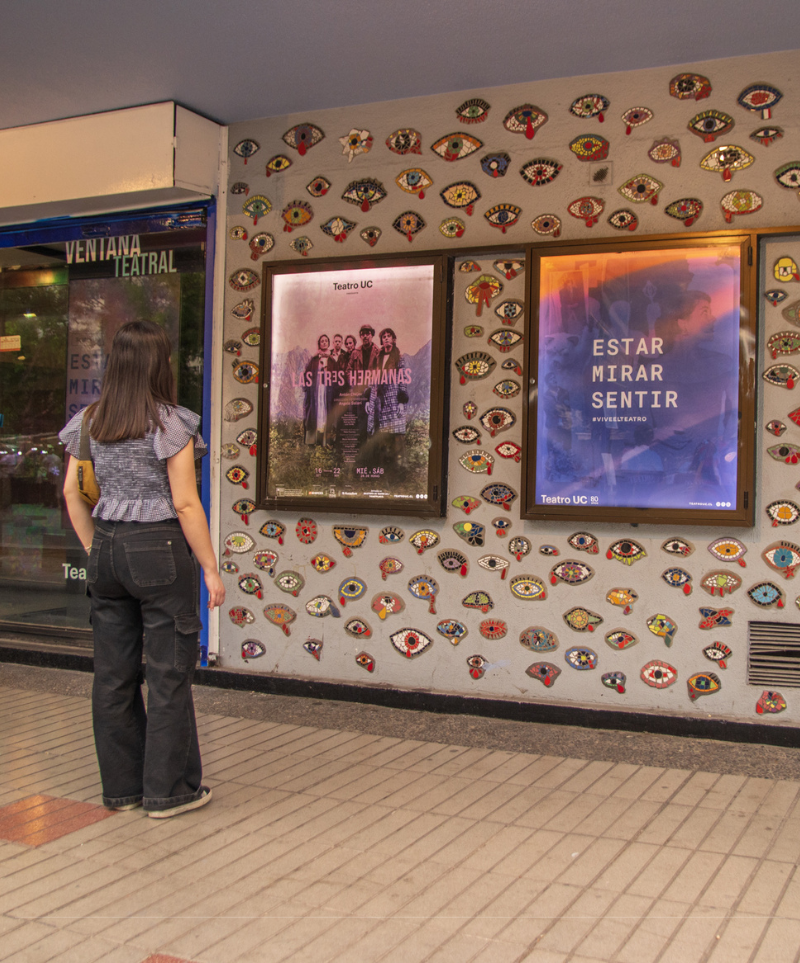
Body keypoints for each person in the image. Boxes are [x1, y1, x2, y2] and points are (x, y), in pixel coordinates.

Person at [59, 320, 225, 818]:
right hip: (158, 549)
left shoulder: (90, 421)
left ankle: (123, 790)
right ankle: (168, 792)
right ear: (159, 364)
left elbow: (71, 493)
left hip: (106, 547)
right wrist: (210, 568)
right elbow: (186, 503)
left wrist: (95, 548)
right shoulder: (171, 423)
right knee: (169, 674)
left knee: (112, 676)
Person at [366, 327, 409, 466]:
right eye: (383, 336)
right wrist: (369, 400)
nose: (386, 338)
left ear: (393, 339)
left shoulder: (399, 358)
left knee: (396, 434)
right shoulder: (377, 358)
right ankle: (383, 467)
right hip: (380, 401)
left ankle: (398, 468)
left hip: (394, 399)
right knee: (382, 433)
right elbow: (373, 380)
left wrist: (401, 401)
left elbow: (403, 379)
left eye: (388, 336)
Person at [302, 334, 333, 446]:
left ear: (328, 343)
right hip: (316, 390)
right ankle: (312, 441)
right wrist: (308, 389)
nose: (324, 343)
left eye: (326, 341)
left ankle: (326, 441)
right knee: (314, 413)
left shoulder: (332, 360)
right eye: (322, 341)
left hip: (327, 391)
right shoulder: (314, 360)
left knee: (326, 412)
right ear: (319, 344)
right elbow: (306, 375)